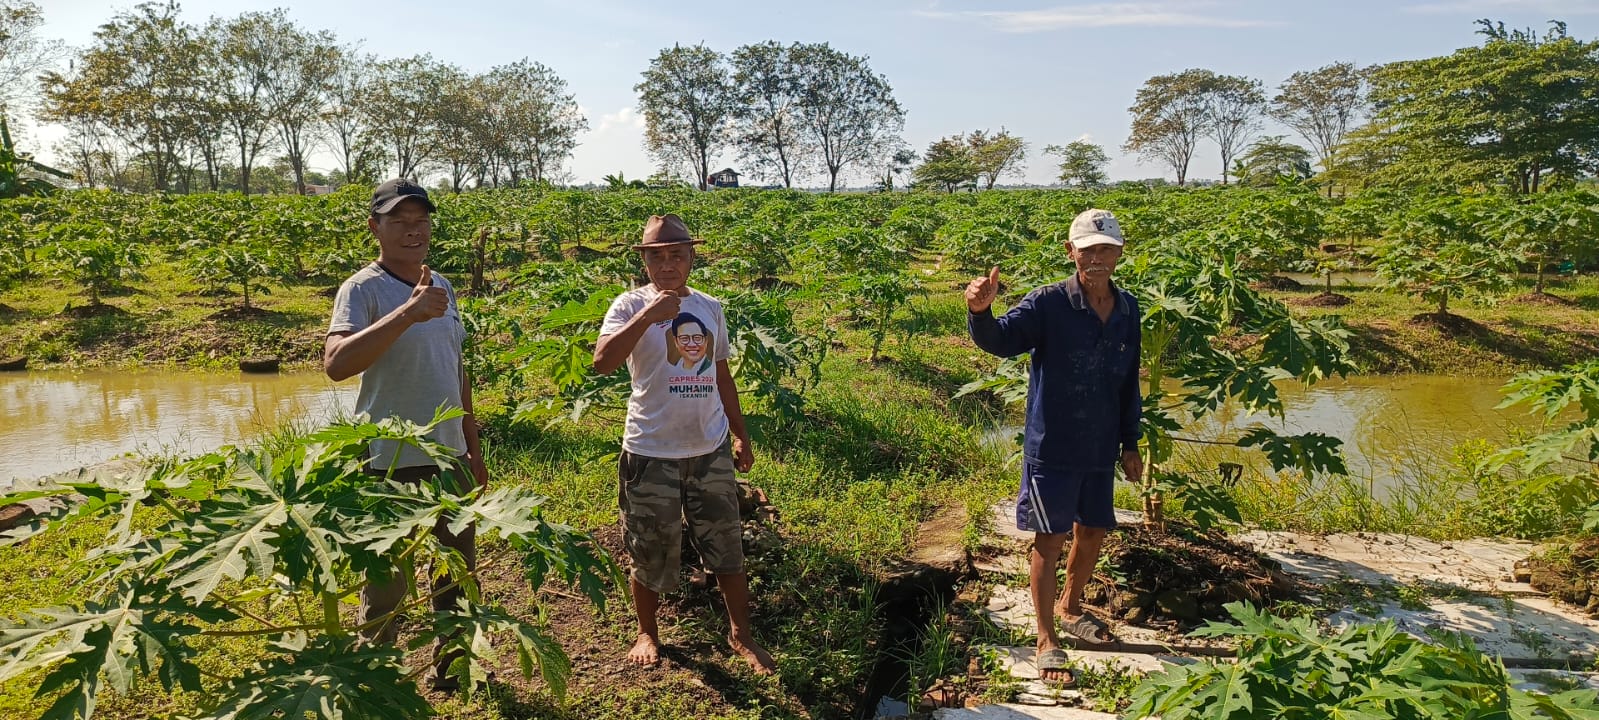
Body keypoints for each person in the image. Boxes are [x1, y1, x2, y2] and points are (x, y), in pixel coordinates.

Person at [965, 208, 1143, 687]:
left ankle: (1071, 606)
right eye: (1087, 250)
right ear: (1071, 253)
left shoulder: (1128, 311)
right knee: (1050, 538)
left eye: (1106, 249)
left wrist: (1131, 442)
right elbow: (1002, 341)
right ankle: (1046, 638)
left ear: (1119, 253)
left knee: (1094, 531)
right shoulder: (1047, 303)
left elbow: (1129, 384)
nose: (1097, 258)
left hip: (1101, 446)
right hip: (1053, 447)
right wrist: (981, 312)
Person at [592, 213, 775, 676]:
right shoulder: (628, 304)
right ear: (645, 262)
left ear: (692, 258)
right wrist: (648, 317)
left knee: (726, 544)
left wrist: (740, 433)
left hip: (709, 449)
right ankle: (648, 632)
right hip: (651, 450)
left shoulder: (711, 307)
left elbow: (719, 373)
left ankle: (741, 634)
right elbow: (603, 362)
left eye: (676, 254)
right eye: (657, 256)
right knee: (648, 546)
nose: (667, 264)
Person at [323, 178, 487, 691]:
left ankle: (454, 670)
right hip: (388, 459)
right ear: (376, 227)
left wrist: (473, 450)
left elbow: (454, 370)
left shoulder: (442, 284)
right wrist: (406, 312)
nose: (414, 231)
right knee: (387, 580)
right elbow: (336, 364)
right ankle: (375, 678)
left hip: (449, 457)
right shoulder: (363, 288)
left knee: (456, 573)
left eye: (422, 221)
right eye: (400, 221)